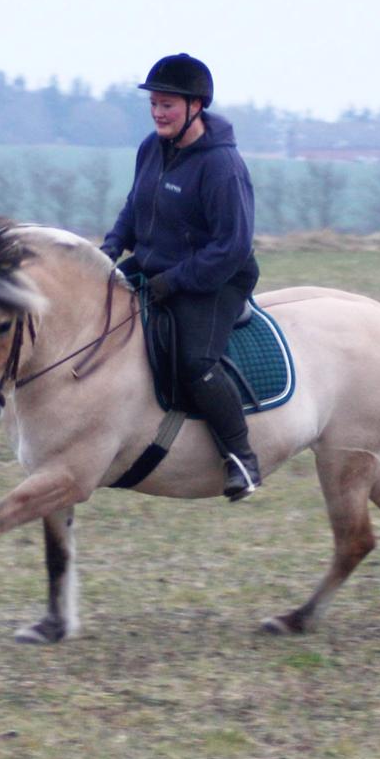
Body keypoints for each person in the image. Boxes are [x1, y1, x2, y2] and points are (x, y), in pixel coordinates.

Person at [101, 54, 262, 501]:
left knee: (195, 362)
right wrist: (109, 252)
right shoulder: (150, 148)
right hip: (156, 266)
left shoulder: (222, 167)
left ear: (195, 106)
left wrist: (175, 281)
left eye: (167, 104)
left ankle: (242, 459)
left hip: (217, 278)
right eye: (153, 103)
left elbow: (231, 246)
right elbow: (134, 209)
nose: (157, 113)